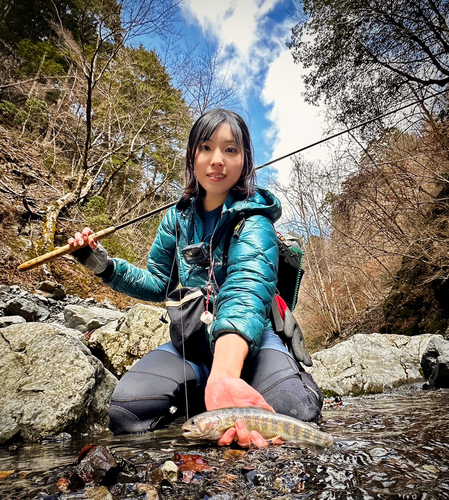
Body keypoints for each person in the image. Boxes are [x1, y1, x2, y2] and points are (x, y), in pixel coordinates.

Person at [68, 108, 323, 448]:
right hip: (193, 345)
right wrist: (103, 265)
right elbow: (159, 283)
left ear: (244, 160)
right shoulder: (176, 220)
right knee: (126, 414)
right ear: (192, 155)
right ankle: (207, 392)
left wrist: (225, 373)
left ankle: (232, 383)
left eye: (230, 150)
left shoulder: (256, 221)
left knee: (297, 414)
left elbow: (245, 293)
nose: (217, 160)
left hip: (252, 343)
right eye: (206, 147)